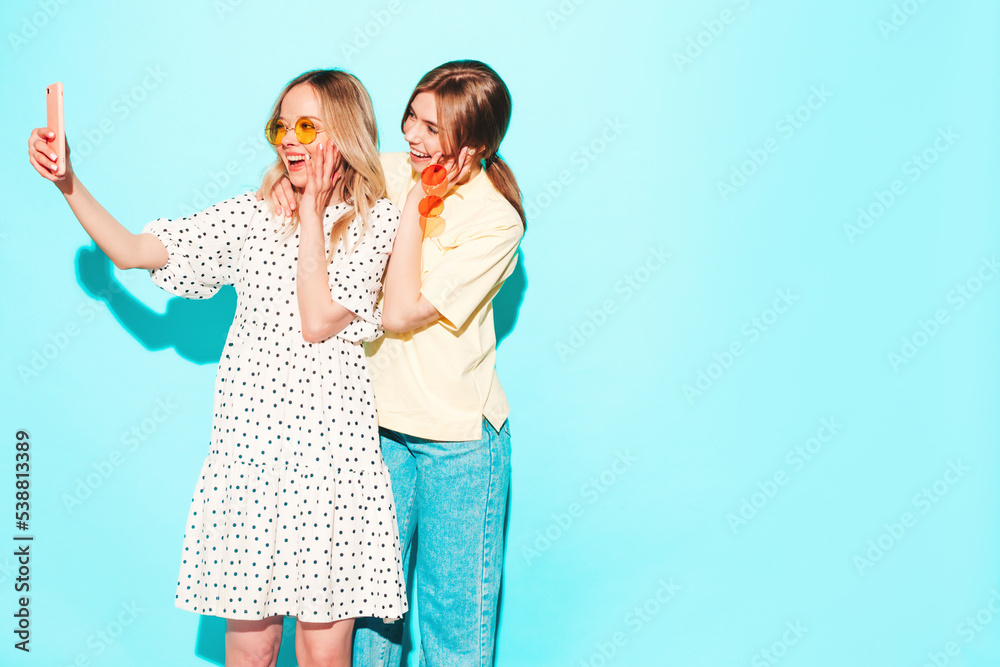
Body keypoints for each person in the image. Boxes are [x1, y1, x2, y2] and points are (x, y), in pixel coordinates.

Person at [28, 69, 408, 667]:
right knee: (251, 652)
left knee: (322, 653)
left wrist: (311, 213)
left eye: (306, 127)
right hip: (250, 461)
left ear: (344, 134)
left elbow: (317, 320)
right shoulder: (251, 216)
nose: (289, 139)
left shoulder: (378, 224)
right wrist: (67, 181)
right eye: (280, 127)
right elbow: (133, 251)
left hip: (330, 466)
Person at [265, 59, 525, 667]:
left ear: (475, 144)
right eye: (412, 116)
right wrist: (285, 183)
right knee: (367, 618)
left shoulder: (495, 221)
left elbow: (402, 312)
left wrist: (412, 205)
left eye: (433, 128)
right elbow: (313, 167)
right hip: (372, 427)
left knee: (453, 621)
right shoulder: (389, 169)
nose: (412, 134)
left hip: (456, 440)